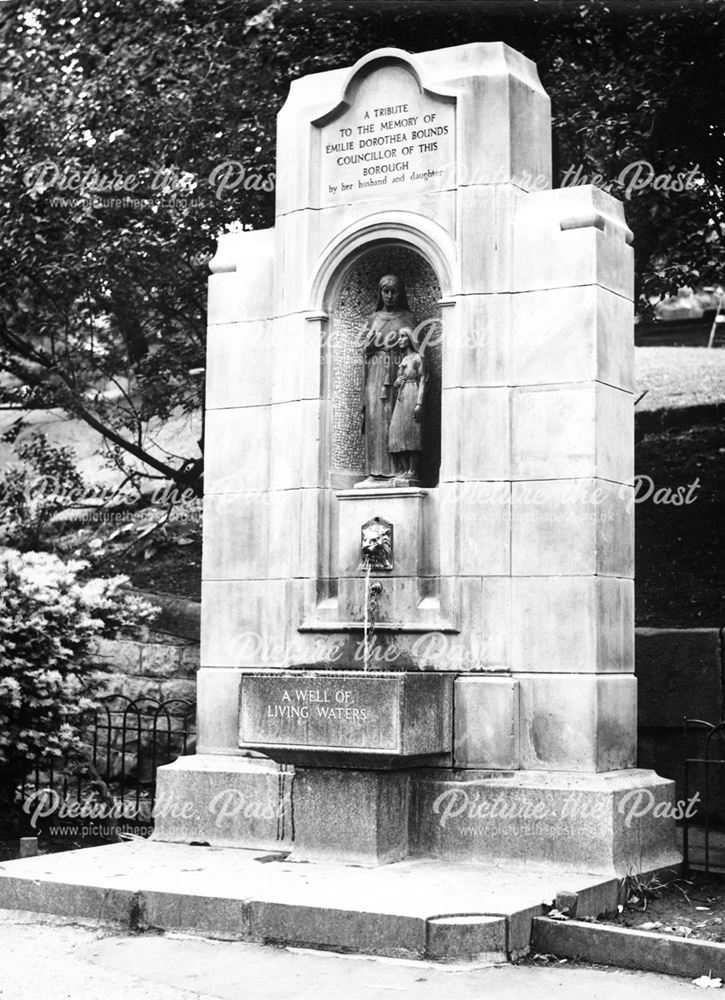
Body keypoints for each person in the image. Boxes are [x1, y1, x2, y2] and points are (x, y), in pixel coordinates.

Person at [356, 274, 416, 487]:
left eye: (394, 291)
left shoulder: (408, 317)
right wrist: (369, 348)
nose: (389, 296)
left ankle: (399, 470)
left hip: (398, 371)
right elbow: (364, 350)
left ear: (400, 293)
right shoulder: (373, 319)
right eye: (385, 291)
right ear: (380, 293)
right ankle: (375, 470)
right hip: (375, 372)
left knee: (396, 416)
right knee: (375, 416)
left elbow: (415, 349)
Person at [388, 327, 426, 483]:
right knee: (397, 431)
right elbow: (398, 381)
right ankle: (404, 470)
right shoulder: (403, 360)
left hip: (412, 393)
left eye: (403, 336)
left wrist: (419, 403)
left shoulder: (418, 358)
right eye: (399, 337)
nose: (400, 340)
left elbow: (423, 380)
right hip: (401, 397)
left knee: (412, 432)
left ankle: (413, 471)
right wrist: (396, 383)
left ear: (409, 339)